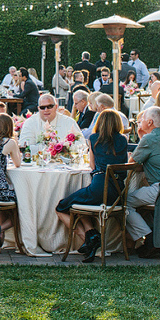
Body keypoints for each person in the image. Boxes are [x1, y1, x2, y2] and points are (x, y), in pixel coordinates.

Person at [56, 108, 130, 261]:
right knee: (80, 204)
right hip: (118, 193)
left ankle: (88, 238)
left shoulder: (94, 138)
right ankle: (92, 237)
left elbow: (92, 165)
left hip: (99, 188)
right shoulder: (123, 139)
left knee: (61, 207)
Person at [124, 106, 160, 258]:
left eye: (141, 119)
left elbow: (131, 164)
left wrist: (140, 137)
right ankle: (155, 235)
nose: (139, 122)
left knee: (125, 202)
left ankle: (150, 239)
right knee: (139, 202)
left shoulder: (149, 139)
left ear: (149, 122)